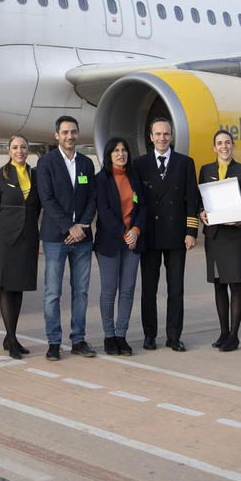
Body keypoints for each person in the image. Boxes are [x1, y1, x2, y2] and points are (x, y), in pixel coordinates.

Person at [134, 118, 201, 352]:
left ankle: (174, 336)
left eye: (166, 134)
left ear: (171, 136)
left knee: (176, 289)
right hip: (150, 235)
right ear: (150, 137)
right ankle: (149, 335)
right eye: (158, 134)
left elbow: (192, 200)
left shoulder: (185, 163)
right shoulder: (139, 164)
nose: (162, 138)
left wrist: (191, 231)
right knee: (149, 290)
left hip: (175, 236)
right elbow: (136, 201)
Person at [38, 115, 99, 360]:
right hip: (56, 238)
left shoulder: (86, 163)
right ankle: (53, 341)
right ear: (57, 135)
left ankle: (79, 339)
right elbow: (47, 199)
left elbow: (93, 198)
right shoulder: (46, 163)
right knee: (53, 292)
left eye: (73, 132)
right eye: (65, 132)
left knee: (81, 291)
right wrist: (69, 227)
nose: (70, 136)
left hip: (82, 238)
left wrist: (81, 227)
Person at [197, 129, 241, 352]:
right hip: (215, 236)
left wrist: (240, 219)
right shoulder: (206, 170)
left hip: (235, 236)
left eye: (228, 142)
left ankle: (234, 335)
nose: (224, 146)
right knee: (219, 285)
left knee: (235, 284)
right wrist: (201, 212)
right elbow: (200, 199)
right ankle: (223, 331)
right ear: (214, 147)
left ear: (233, 146)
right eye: (219, 143)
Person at [0, 134, 40, 360]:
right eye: (15, 147)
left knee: (18, 288)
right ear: (9, 151)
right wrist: (0, 232)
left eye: (23, 147)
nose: (20, 151)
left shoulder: (35, 175)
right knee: (7, 288)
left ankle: (11, 337)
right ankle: (11, 338)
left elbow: (37, 208)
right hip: (5, 240)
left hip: (27, 238)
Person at [93, 136, 144, 355]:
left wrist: (135, 231)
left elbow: (143, 208)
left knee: (128, 290)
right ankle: (109, 335)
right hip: (110, 242)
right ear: (109, 155)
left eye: (124, 150)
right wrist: (124, 233)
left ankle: (121, 334)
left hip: (132, 242)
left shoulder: (134, 177)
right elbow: (103, 212)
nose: (121, 154)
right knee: (108, 291)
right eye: (116, 151)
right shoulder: (101, 179)